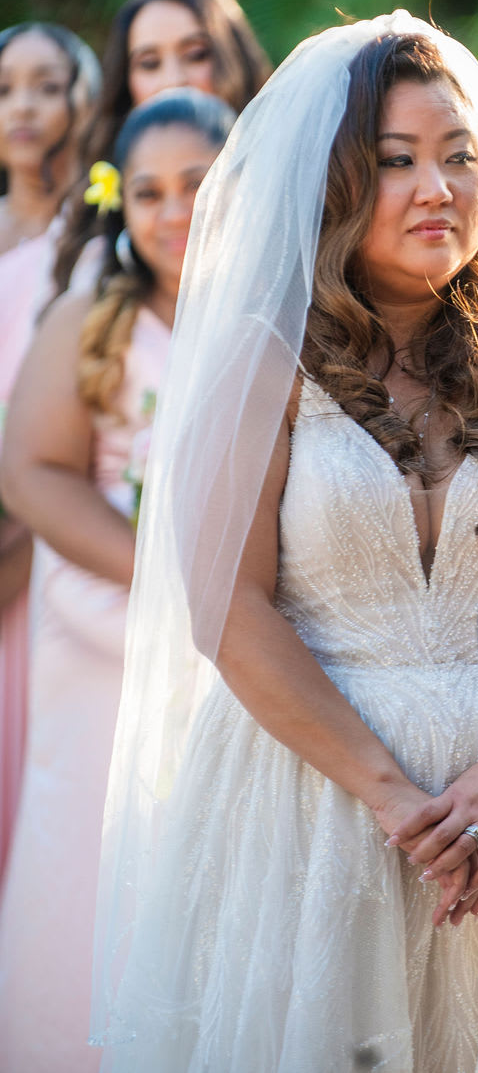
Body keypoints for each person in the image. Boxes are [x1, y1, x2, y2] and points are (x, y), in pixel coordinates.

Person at [89, 14, 478, 1071]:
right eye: (398, 160)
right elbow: (226, 605)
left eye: (460, 156)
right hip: (311, 805)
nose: (438, 187)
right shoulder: (263, 362)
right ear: (335, 183)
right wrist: (395, 799)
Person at [0, 88, 236, 1073]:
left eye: (198, 184)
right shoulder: (92, 310)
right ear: (121, 205)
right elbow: (30, 472)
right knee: (91, 856)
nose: (174, 210)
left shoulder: (287, 307)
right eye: (149, 193)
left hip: (238, 646)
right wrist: (166, 578)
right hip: (103, 630)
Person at [0, 20, 100, 881]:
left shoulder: (94, 237)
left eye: (43, 84)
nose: (22, 106)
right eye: (4, 89)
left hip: (53, 543)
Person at [53, 0, 271, 293]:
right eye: (150, 63)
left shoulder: (294, 183)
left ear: (235, 62)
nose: (173, 79)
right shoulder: (92, 224)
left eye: (197, 55)